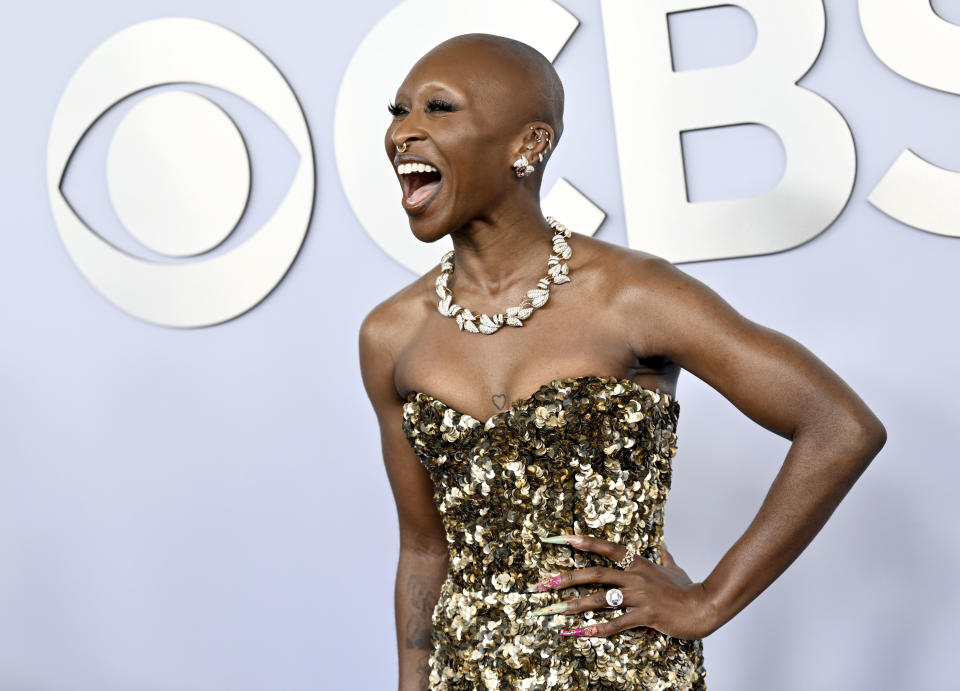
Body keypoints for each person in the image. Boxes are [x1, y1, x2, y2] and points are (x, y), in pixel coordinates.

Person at [358, 33, 886, 691]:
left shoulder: (633, 294)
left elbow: (838, 425)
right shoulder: (390, 334)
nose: (404, 132)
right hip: (468, 673)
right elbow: (424, 546)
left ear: (528, 144)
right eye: (397, 110)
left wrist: (709, 600)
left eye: (437, 109)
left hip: (624, 671)